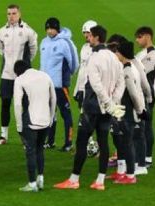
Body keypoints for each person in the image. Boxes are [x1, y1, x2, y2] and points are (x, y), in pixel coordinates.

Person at [54, 25, 125, 191]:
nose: (88, 38)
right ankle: (100, 181)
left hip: (92, 107)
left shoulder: (94, 57)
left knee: (81, 142)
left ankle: (74, 180)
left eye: (90, 36)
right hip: (107, 109)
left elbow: (95, 83)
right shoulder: (114, 57)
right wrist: (113, 102)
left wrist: (107, 101)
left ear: (97, 38)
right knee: (103, 142)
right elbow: (121, 81)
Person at [0, 4, 38, 145]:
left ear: (19, 14)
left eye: (13, 13)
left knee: (24, 104)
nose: (11, 16)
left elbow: (33, 49)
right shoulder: (1, 32)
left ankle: (25, 136)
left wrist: (25, 63)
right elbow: (1, 48)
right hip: (6, 75)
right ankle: (3, 136)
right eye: (9, 14)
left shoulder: (27, 31)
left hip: (22, 76)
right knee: (5, 103)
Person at [12, 60, 56, 192]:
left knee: (30, 151)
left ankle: (31, 183)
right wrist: (51, 117)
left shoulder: (20, 80)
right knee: (40, 149)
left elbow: (18, 105)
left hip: (30, 121)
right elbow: (53, 98)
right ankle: (40, 179)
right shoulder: (45, 75)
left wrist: (19, 125)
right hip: (46, 120)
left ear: (18, 72)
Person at [108, 40, 147, 185]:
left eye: (117, 51)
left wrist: (139, 111)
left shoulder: (128, 71)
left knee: (127, 142)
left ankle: (130, 176)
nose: (116, 54)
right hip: (125, 111)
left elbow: (134, 94)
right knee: (123, 142)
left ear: (122, 54)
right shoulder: (128, 68)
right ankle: (122, 172)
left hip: (129, 113)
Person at [39, 17, 78, 151]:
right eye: (48, 29)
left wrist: (66, 77)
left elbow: (74, 63)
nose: (49, 31)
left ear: (57, 29)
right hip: (46, 85)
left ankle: (68, 143)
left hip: (60, 85)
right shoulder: (43, 42)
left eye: (52, 29)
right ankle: (50, 141)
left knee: (65, 114)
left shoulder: (65, 43)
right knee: (49, 114)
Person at [135, 26, 155, 168]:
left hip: (149, 95)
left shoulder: (153, 55)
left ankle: (147, 158)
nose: (137, 40)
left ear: (148, 36)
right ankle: (141, 156)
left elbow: (140, 72)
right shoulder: (143, 53)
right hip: (142, 94)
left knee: (146, 127)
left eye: (140, 36)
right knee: (141, 127)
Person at [74, 20, 97, 108]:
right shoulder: (84, 47)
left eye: (88, 32)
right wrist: (77, 89)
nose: (86, 35)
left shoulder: (100, 50)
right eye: (84, 32)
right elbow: (82, 69)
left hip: (92, 90)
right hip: (82, 88)